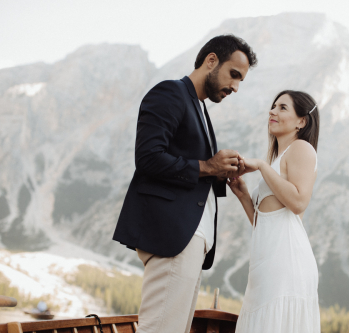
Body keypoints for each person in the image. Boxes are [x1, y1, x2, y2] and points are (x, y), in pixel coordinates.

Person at [112, 35, 257, 333]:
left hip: (190, 238)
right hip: (173, 235)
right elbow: (148, 158)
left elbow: (191, 168)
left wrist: (219, 173)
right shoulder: (170, 92)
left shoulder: (199, 108)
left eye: (241, 80)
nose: (235, 87)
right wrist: (208, 165)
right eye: (234, 75)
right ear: (211, 60)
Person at [228, 90, 321, 333]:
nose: (272, 111)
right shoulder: (278, 159)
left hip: (287, 264)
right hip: (267, 263)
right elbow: (266, 223)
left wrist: (260, 165)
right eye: (273, 106)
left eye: (282, 108)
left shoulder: (301, 149)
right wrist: (243, 195)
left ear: (302, 121)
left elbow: (299, 202)